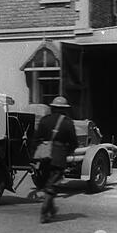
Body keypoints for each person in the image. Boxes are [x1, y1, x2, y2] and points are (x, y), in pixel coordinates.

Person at [33, 96, 78, 224]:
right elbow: (73, 143)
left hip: (44, 156)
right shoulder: (68, 123)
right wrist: (67, 153)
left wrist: (35, 155)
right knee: (52, 185)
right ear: (65, 110)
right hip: (59, 156)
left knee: (48, 182)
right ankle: (44, 211)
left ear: (52, 108)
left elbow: (36, 139)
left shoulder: (44, 120)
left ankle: (52, 210)